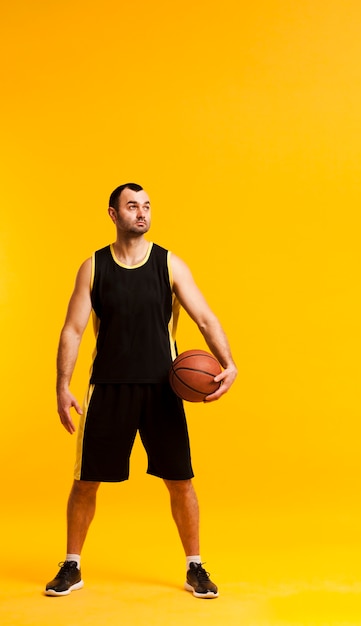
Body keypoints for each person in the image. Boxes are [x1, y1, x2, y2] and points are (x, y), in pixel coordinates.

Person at [45, 183, 237, 599]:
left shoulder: (169, 264)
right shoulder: (93, 267)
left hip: (162, 389)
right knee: (85, 482)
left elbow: (204, 316)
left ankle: (195, 566)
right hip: (108, 387)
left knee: (181, 481)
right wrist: (63, 387)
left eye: (147, 206)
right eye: (132, 206)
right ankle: (72, 566)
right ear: (113, 214)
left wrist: (229, 362)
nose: (142, 213)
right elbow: (73, 330)